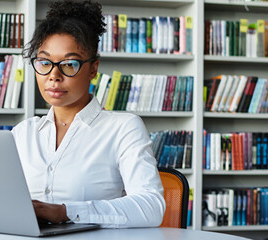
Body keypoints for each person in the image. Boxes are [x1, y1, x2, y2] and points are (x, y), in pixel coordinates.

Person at [11, 0, 166, 228]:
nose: (54, 75)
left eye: (69, 64)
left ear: (93, 68)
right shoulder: (23, 133)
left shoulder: (123, 128)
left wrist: (66, 212)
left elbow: (151, 206)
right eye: (45, 62)